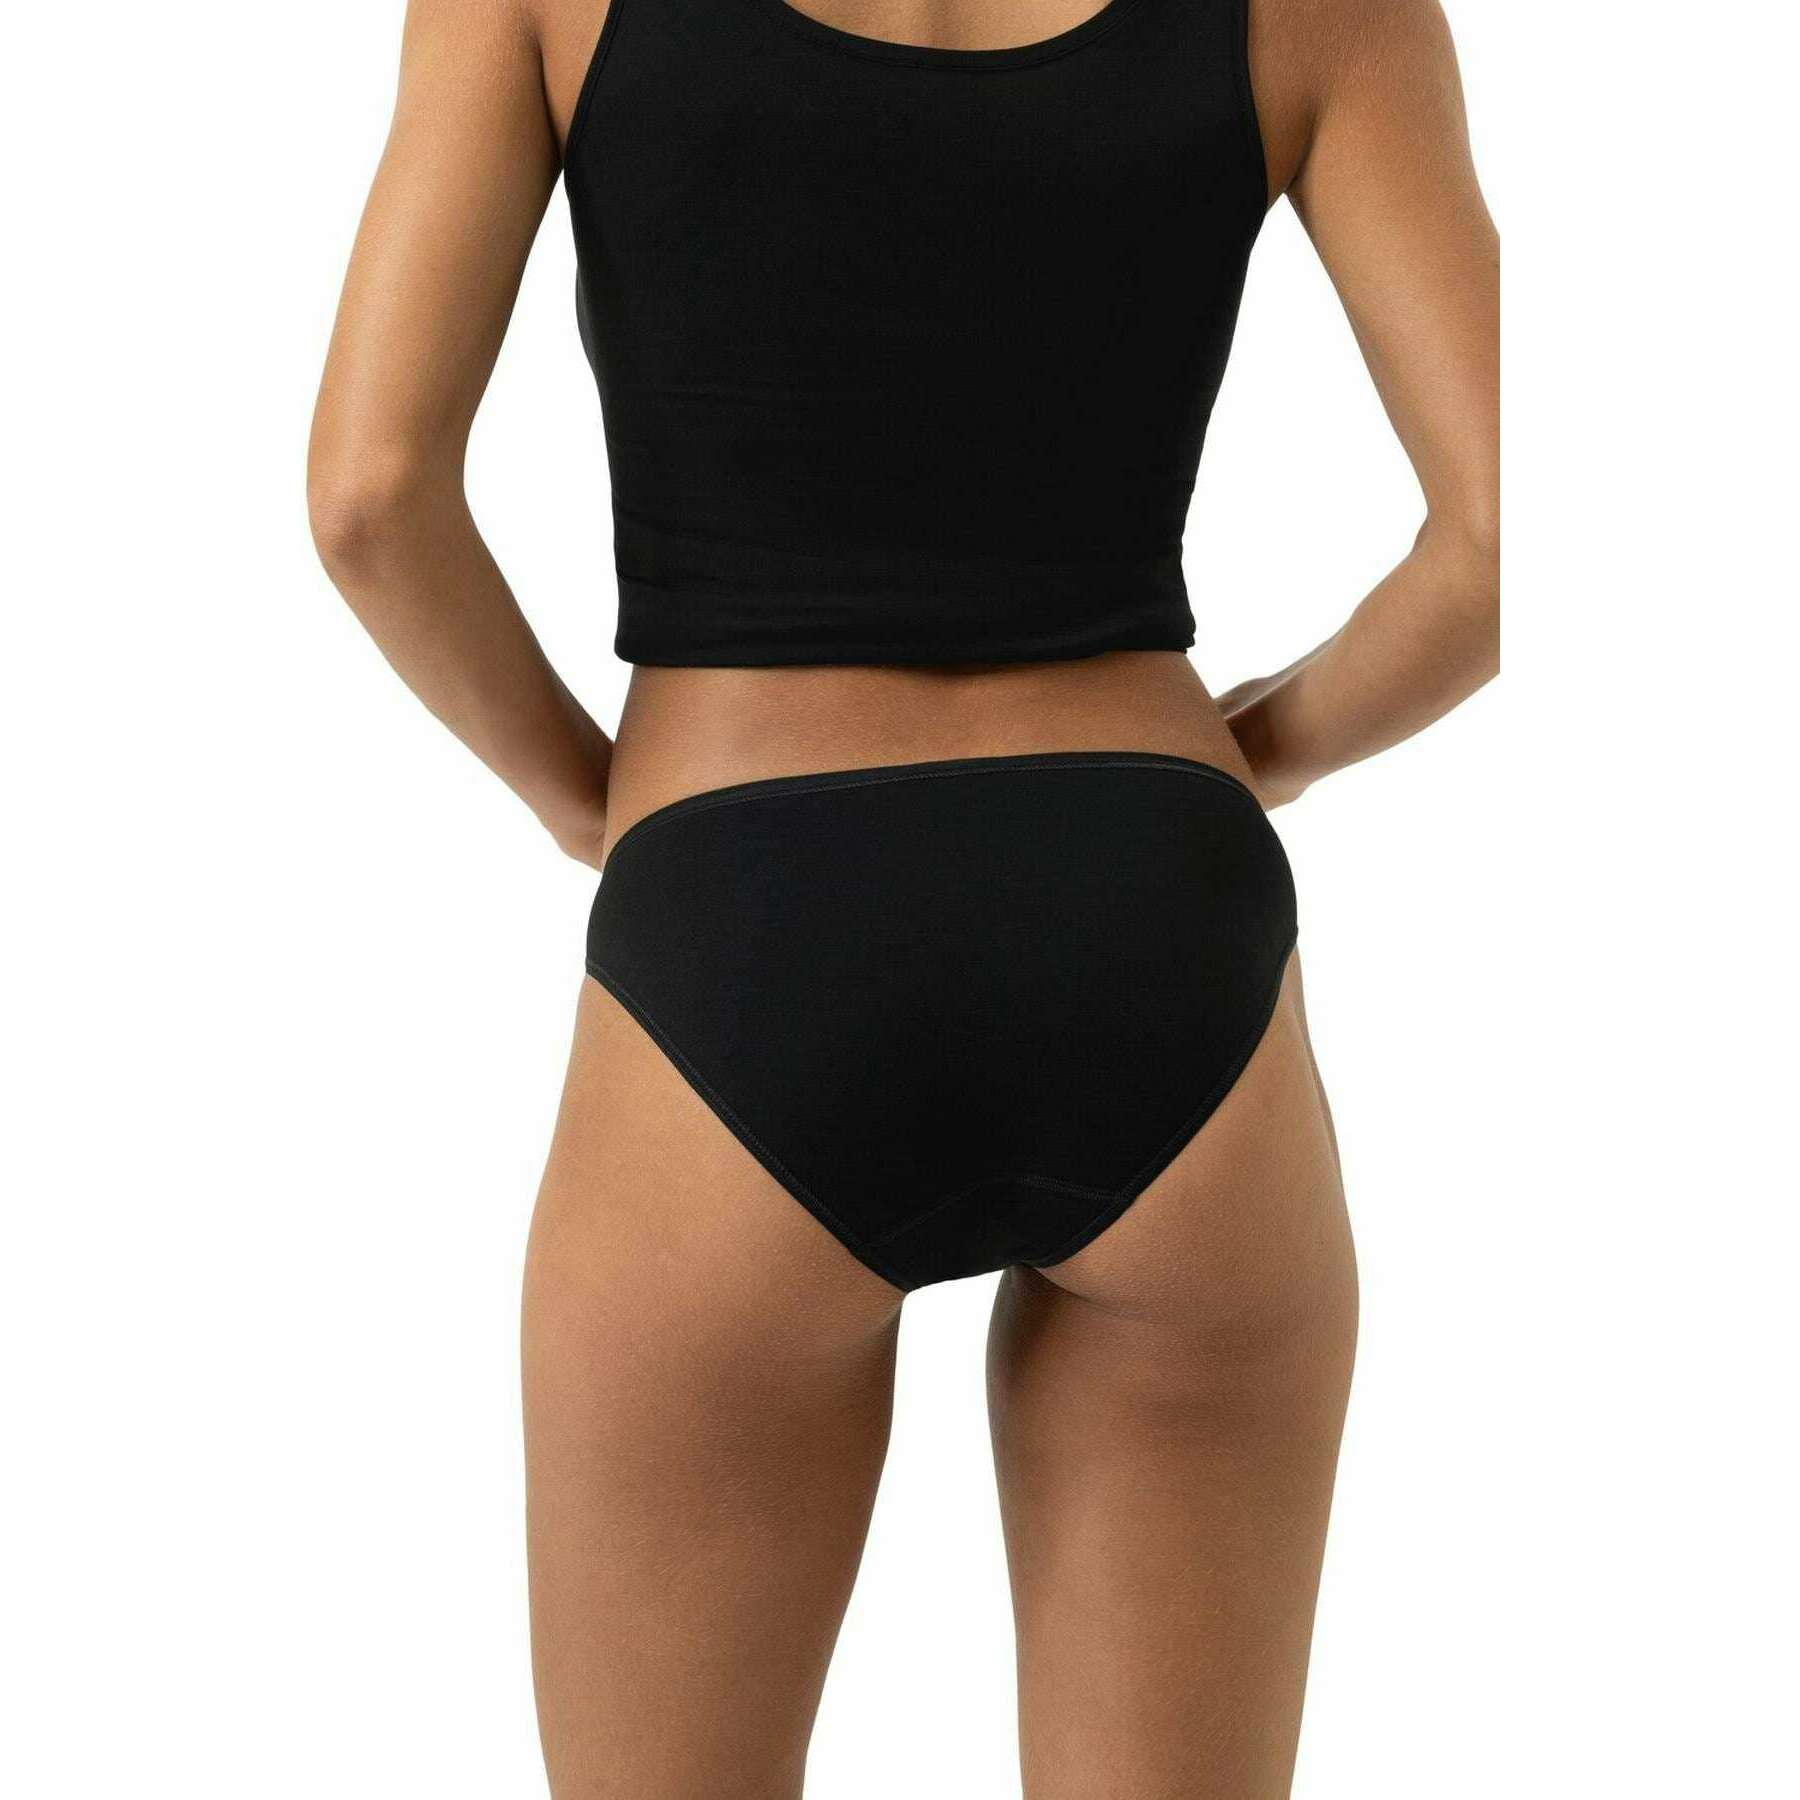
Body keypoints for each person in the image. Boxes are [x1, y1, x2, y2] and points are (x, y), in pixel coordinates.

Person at [308, 0, 1497, 1789]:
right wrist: (1271, 748)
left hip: (743, 916)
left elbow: (370, 495)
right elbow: (1508, 538)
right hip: (1158, 911)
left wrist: (585, 800)